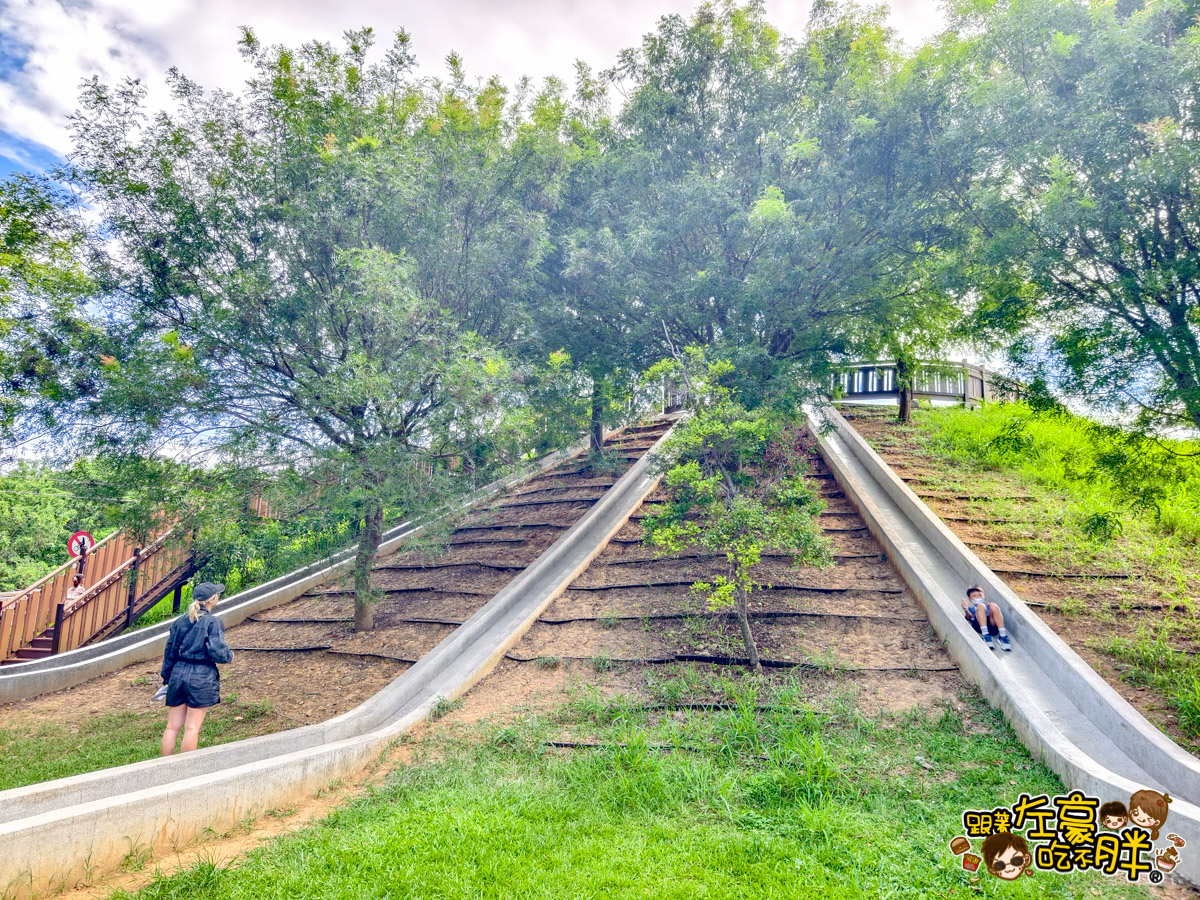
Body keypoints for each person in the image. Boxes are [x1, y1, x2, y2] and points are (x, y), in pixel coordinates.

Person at [160, 582, 233, 756]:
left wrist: (167, 679)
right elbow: (217, 651)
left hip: (177, 674)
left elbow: (170, 652)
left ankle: (163, 767)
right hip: (201, 676)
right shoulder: (213, 622)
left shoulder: (179, 622)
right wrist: (229, 656)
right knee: (192, 727)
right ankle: (186, 770)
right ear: (212, 599)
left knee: (171, 727)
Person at [962, 585, 1011, 651]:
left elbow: (994, 615)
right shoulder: (971, 609)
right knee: (981, 606)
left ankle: (1003, 636)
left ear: (984, 597)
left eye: (980, 595)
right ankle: (986, 636)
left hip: (992, 627)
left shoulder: (989, 607)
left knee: (994, 605)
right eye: (974, 596)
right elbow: (969, 617)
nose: (978, 597)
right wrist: (966, 609)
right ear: (970, 600)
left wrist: (992, 609)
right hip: (979, 626)